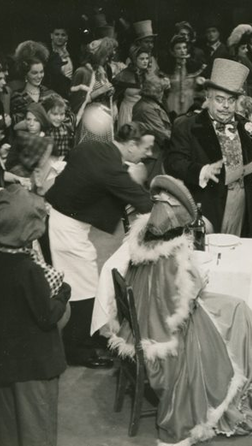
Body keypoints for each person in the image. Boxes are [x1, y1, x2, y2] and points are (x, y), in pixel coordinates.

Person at [108, 174, 252, 446]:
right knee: (240, 315)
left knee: (238, 307)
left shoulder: (143, 239)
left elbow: (173, 296)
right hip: (174, 335)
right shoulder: (174, 258)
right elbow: (190, 295)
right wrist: (195, 273)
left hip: (149, 326)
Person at [45, 122, 154, 368]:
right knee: (83, 289)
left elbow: (75, 158)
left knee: (87, 284)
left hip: (64, 219)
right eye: (145, 149)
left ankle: (89, 337)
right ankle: (77, 351)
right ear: (131, 145)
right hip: (67, 228)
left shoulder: (95, 146)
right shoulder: (111, 168)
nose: (147, 155)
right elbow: (142, 202)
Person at [0, 184, 71, 446]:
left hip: (4, 357)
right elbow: (47, 316)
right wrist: (63, 292)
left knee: (9, 418)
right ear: (29, 230)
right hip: (35, 362)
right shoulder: (29, 271)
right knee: (36, 420)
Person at [165, 58, 252, 237]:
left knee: (240, 252)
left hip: (244, 203)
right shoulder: (187, 125)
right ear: (208, 98)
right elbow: (173, 162)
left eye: (231, 100)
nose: (226, 106)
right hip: (208, 204)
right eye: (220, 100)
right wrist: (202, 171)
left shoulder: (246, 126)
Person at [69, 37, 116, 144]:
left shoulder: (101, 71)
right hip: (89, 120)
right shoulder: (82, 72)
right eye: (105, 56)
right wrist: (100, 91)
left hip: (102, 119)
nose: (108, 59)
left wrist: (109, 91)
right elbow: (76, 102)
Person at [132, 75, 171, 181]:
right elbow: (162, 133)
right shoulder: (146, 108)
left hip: (155, 153)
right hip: (153, 155)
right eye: (162, 91)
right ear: (156, 92)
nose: (163, 94)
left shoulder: (151, 105)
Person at [10, 41, 56, 125]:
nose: (39, 76)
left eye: (41, 72)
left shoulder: (51, 94)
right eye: (34, 73)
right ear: (25, 74)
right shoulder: (17, 98)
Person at [162, 35, 206, 118]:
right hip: (173, 102)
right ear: (172, 51)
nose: (182, 51)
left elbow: (202, 89)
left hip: (190, 101)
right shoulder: (167, 69)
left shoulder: (195, 67)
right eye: (178, 48)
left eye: (184, 47)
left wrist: (200, 82)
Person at [113, 45, 150, 129]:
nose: (145, 61)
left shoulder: (149, 75)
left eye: (147, 58)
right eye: (142, 59)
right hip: (128, 111)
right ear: (134, 59)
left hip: (145, 113)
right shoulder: (124, 75)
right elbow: (114, 96)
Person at [44, 24, 74, 99]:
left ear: (67, 37)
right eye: (57, 34)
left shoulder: (72, 54)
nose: (60, 37)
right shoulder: (47, 54)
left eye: (63, 35)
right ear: (51, 36)